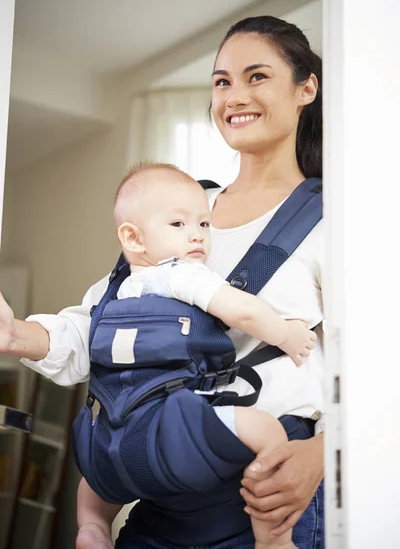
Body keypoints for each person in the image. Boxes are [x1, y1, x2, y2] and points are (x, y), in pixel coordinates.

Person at [0, 15, 324, 549]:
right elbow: (105, 324)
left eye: (257, 76)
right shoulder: (178, 207)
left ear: (305, 87)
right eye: (222, 81)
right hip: (163, 488)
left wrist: (320, 456)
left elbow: (377, 373)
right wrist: (17, 336)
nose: (234, 96)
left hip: (269, 494)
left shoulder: (332, 218)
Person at [73, 161, 316, 549]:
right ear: (133, 238)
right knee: (267, 430)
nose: (198, 236)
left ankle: (92, 527)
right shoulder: (183, 274)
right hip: (175, 422)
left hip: (120, 426)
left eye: (204, 224)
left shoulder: (116, 291)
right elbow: (243, 311)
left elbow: (78, 336)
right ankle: (273, 540)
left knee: (98, 477)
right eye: (179, 225)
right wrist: (286, 333)